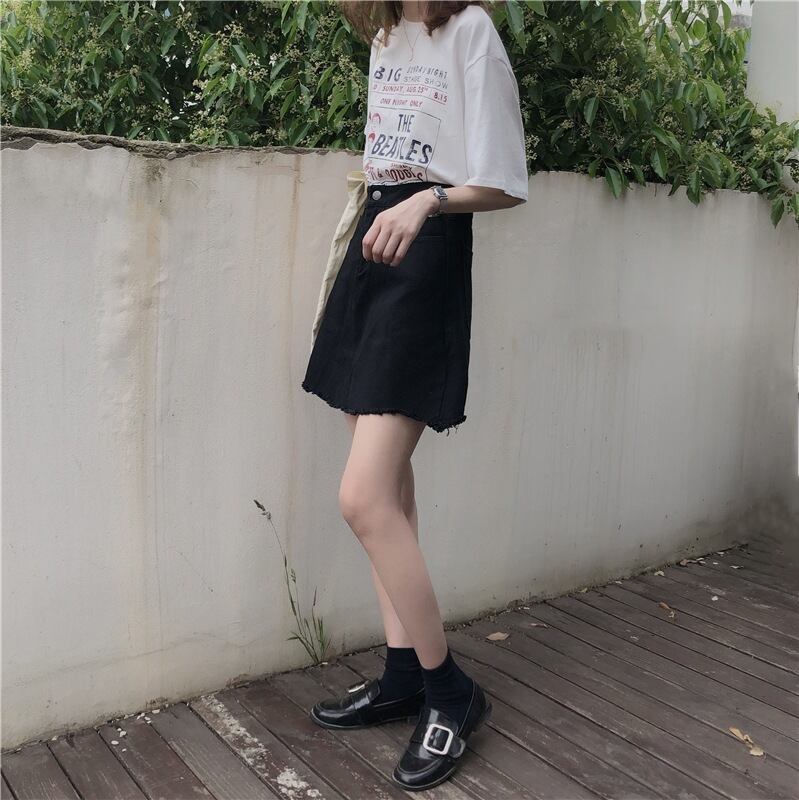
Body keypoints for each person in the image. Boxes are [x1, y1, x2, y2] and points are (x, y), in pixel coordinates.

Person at [301, 0, 528, 791]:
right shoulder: (387, 34)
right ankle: (402, 673)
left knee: (361, 497)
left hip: (425, 244)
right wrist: (393, 204)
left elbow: (502, 182)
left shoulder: (470, 32)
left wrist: (428, 200)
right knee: (390, 489)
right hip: (375, 235)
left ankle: (449, 691)